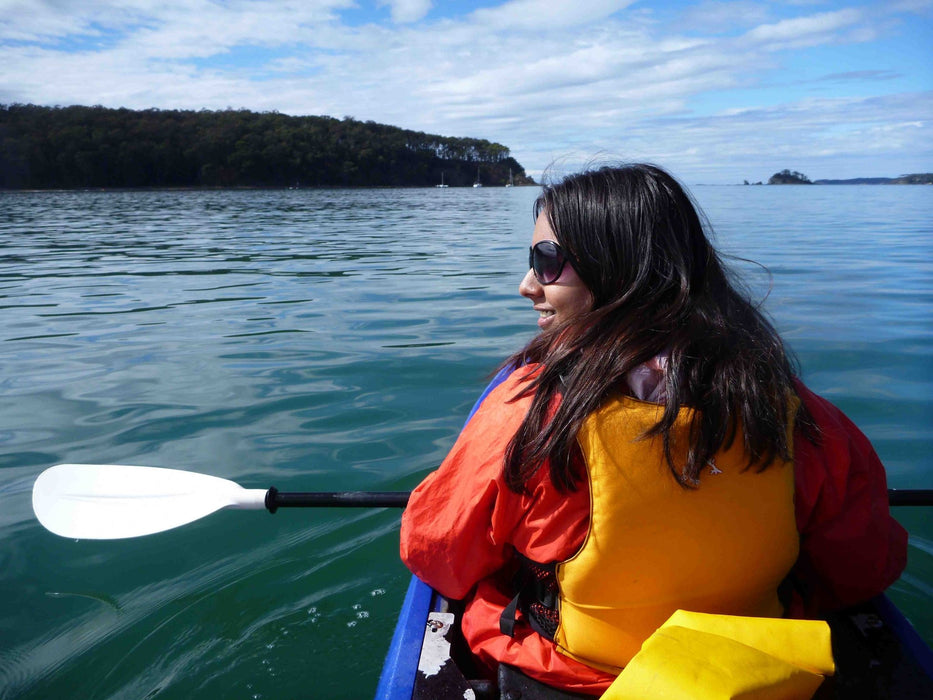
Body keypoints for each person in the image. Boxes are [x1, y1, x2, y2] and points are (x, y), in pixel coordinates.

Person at [399, 163, 907, 695]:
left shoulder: (525, 416)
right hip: (753, 672)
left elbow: (437, 555)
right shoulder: (801, 417)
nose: (526, 285)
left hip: (574, 676)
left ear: (619, 269)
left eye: (546, 262)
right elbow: (863, 570)